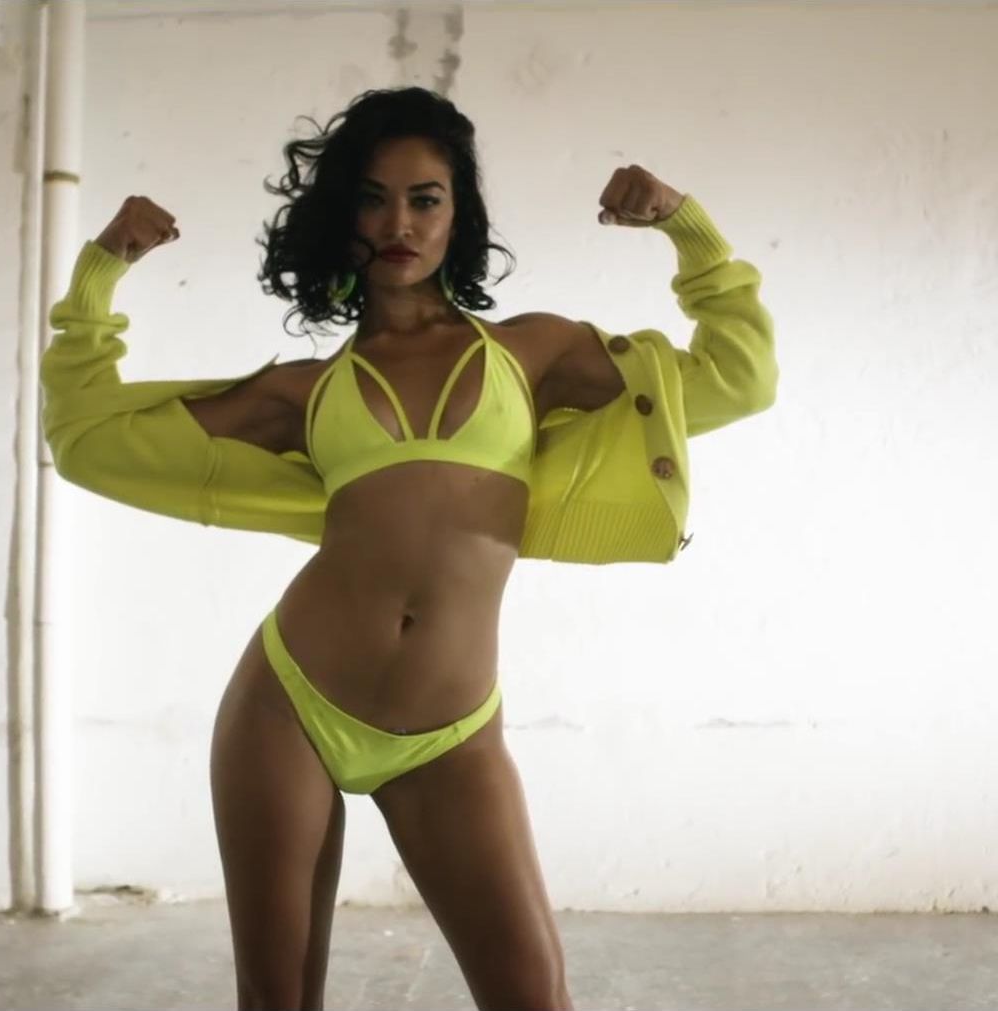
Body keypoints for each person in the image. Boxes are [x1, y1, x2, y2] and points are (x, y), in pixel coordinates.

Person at [41, 86, 776, 1011]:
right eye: (372, 198)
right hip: (291, 707)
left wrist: (685, 228)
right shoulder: (303, 391)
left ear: (457, 216)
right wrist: (101, 271)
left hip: (450, 731)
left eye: (425, 199)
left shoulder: (532, 354)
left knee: (535, 998)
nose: (399, 223)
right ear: (340, 216)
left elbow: (739, 378)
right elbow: (87, 441)